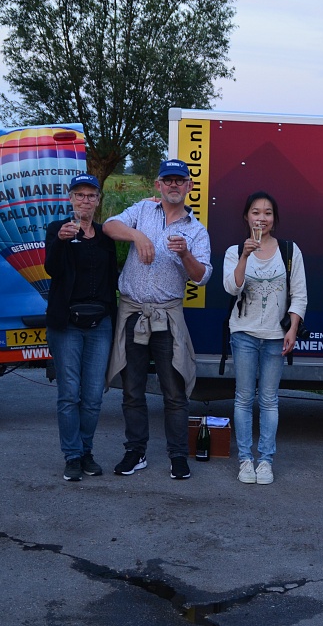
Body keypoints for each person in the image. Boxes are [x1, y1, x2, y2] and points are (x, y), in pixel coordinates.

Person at [104, 159, 212, 480]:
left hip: (167, 316)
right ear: (158, 185)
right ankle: (135, 451)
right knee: (132, 389)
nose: (174, 185)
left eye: (180, 180)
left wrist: (185, 254)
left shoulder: (196, 230)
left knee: (174, 392)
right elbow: (109, 226)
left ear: (189, 186)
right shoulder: (142, 210)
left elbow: (202, 277)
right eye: (168, 180)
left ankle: (178, 456)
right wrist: (138, 236)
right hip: (133, 312)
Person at [223, 192, 308, 485]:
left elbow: (300, 294)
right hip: (244, 334)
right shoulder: (235, 251)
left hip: (275, 336)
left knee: (270, 400)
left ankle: (266, 461)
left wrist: (292, 329)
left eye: (268, 213)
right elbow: (232, 288)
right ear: (247, 217)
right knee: (244, 398)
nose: (262, 218)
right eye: (256, 212)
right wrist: (245, 256)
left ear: (275, 218)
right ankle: (245, 459)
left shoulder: (289, 250)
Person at [44, 173, 119, 482]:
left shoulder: (105, 236)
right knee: (69, 394)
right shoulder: (57, 229)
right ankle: (72, 456)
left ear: (98, 200)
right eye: (80, 195)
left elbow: (112, 278)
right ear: (70, 198)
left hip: (100, 323)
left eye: (91, 195)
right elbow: (51, 269)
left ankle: (86, 451)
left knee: (93, 396)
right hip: (67, 324)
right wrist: (60, 242)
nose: (85, 200)